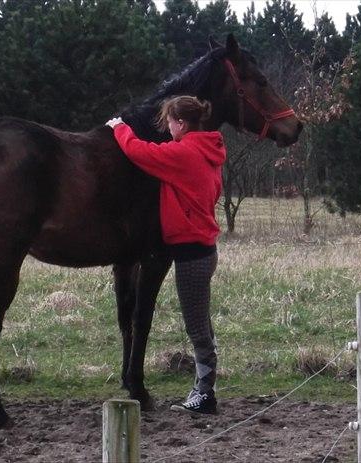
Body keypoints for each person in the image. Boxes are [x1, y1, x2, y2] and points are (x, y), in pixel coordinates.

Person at [105, 95, 226, 415]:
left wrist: (119, 128)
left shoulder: (183, 153)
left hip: (191, 254)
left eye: (169, 122)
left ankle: (205, 395)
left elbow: (139, 152)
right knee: (202, 323)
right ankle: (204, 388)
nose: (166, 128)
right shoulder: (208, 151)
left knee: (197, 326)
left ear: (182, 124)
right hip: (202, 250)